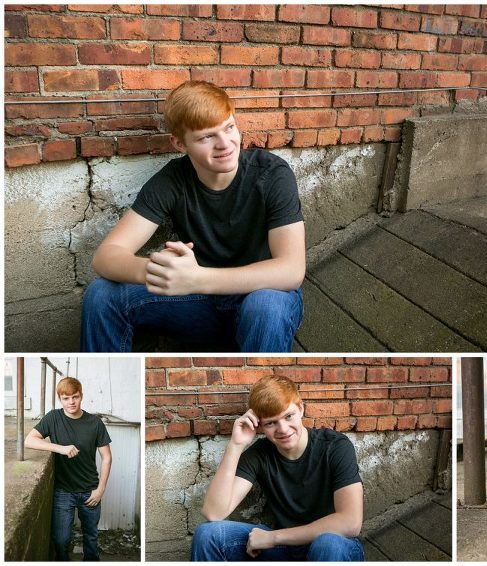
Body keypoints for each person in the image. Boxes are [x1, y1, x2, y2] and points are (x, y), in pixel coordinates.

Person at [80, 80, 305, 353]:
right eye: (206, 137)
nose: (225, 144)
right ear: (179, 143)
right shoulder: (172, 181)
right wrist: (167, 274)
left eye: (229, 127)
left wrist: (199, 278)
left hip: (260, 297)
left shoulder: (272, 174)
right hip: (202, 305)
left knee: (265, 306)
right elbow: (105, 257)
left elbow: (291, 270)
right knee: (102, 294)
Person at [191, 375, 364, 562]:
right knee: (207, 534)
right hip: (286, 550)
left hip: (336, 548)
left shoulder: (335, 447)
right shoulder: (260, 454)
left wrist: (273, 537)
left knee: (327, 543)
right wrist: (235, 445)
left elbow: (350, 522)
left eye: (288, 416)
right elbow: (214, 512)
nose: (282, 429)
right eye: (271, 423)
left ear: (301, 409)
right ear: (260, 426)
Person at [24, 377, 112, 561]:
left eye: (75, 396)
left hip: (90, 490)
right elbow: (29, 440)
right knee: (61, 540)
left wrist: (100, 490)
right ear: (60, 399)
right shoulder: (53, 417)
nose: (71, 402)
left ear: (81, 396)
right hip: (63, 492)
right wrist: (60, 448)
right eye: (66, 398)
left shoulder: (95, 423)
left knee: (91, 537)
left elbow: (107, 457)